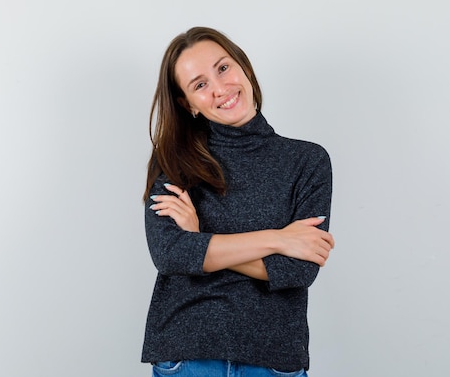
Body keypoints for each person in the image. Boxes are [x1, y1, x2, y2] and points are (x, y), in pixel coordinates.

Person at [141, 27, 335, 377]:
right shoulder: (173, 162)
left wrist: (201, 241)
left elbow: (298, 270)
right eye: (199, 85)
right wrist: (278, 239)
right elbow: (170, 254)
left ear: (243, 66)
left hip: (275, 359)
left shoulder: (307, 161)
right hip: (189, 355)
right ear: (188, 104)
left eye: (223, 68)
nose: (219, 88)